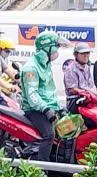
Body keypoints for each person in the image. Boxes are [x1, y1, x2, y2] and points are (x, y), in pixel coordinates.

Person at [19, 30, 64, 161]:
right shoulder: (31, 67)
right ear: (46, 48)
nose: (57, 52)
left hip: (48, 107)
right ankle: (41, 171)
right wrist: (46, 109)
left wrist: (58, 106)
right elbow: (32, 95)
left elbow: (48, 91)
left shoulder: (46, 64)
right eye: (55, 48)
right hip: (35, 110)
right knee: (49, 135)